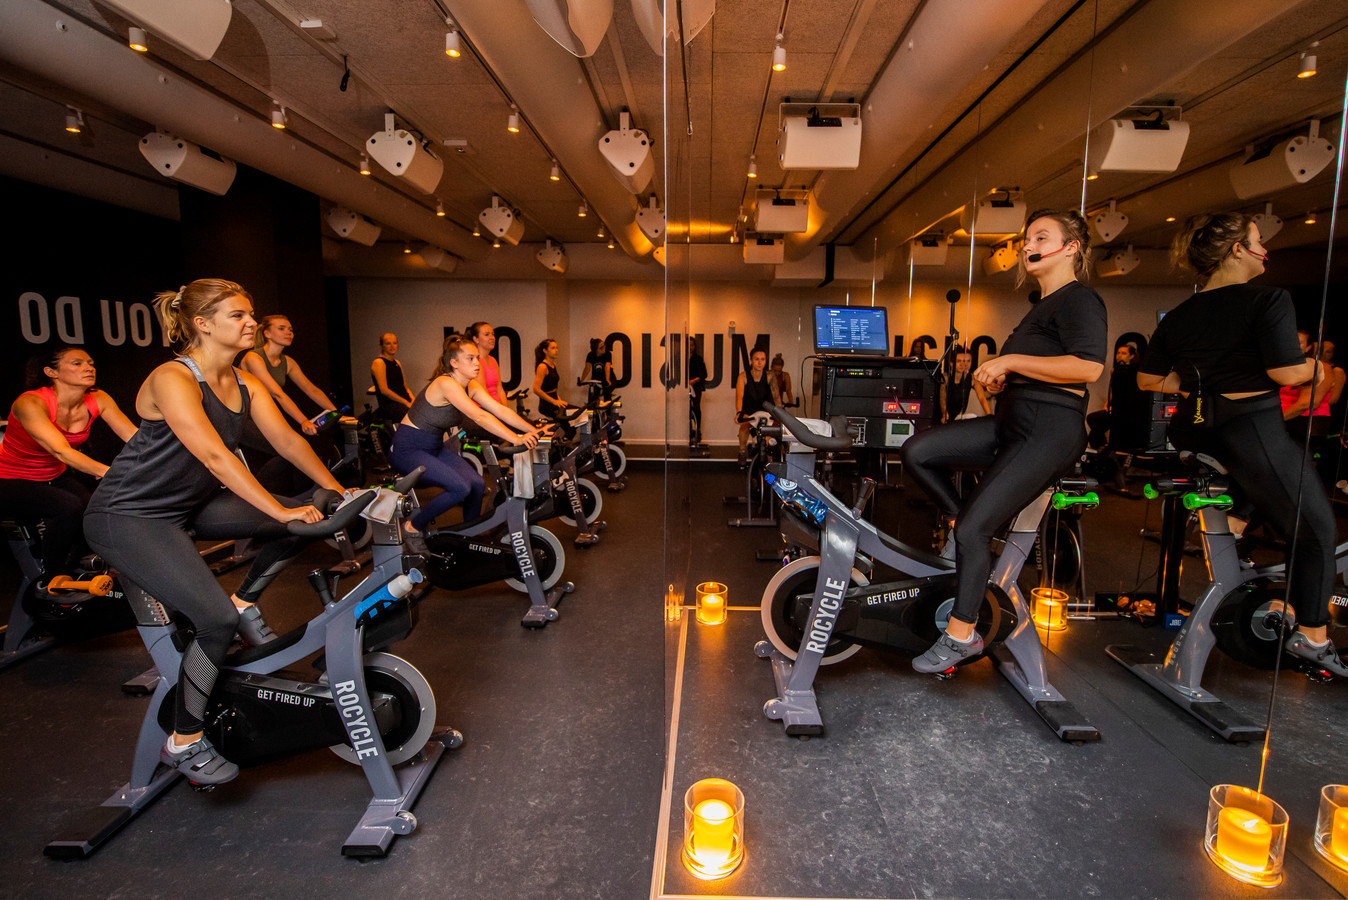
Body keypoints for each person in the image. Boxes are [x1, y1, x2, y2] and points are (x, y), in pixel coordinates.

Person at [83, 279, 350, 785]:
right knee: (214, 621)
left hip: (187, 508)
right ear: (202, 323)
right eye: (237, 315)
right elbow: (213, 455)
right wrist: (275, 510)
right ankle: (183, 740)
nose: (251, 322)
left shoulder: (243, 384)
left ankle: (246, 601)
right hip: (129, 515)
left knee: (310, 507)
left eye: (251, 313)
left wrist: (340, 491)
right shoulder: (172, 377)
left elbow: (289, 443)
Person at [1137, 212, 1346, 676]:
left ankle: (1234, 522)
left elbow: (1148, 378)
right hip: (1251, 428)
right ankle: (1313, 637)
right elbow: (1286, 374)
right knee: (1316, 533)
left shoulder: (1184, 313)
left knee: (1264, 483)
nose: (1265, 251)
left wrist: (1199, 381)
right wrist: (1318, 370)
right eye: (1257, 242)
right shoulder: (1269, 299)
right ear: (1236, 250)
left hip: (1199, 431)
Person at [900, 209, 1107, 673]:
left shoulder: (1081, 300)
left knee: (976, 530)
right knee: (919, 451)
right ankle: (960, 519)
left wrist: (1010, 362)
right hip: (1013, 421)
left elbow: (1087, 368)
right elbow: (1036, 369)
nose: (1027, 245)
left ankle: (961, 635)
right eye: (1026, 239)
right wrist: (997, 380)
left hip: (1049, 430)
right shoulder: (1042, 306)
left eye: (1040, 237)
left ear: (1070, 247)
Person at [390, 335, 545, 548]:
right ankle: (412, 527)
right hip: (407, 449)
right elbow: (479, 416)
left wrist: (534, 430)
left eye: (477, 358)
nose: (476, 363)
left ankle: (470, 536)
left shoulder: (469, 385)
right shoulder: (445, 383)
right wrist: (516, 437)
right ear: (454, 363)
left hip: (434, 447)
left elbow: (499, 409)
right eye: (470, 359)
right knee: (460, 488)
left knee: (478, 484)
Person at [0, 346, 137, 575]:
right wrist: (109, 472)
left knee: (95, 511)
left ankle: (77, 564)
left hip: (54, 476)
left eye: (90, 363)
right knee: (69, 507)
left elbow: (133, 436)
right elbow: (61, 451)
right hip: (10, 480)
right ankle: (51, 576)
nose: (88, 367)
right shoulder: (30, 403)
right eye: (77, 363)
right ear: (51, 372)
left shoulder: (97, 398)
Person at [240, 315, 335, 436]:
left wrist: (335, 412)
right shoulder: (253, 358)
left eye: (290, 330)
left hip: (262, 414)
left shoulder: (288, 362)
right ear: (267, 333)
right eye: (281, 328)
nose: (288, 333)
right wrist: (304, 421)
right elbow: (277, 394)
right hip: (242, 415)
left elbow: (311, 389)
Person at [734, 346, 781, 467]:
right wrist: (739, 413)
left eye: (762, 359)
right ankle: (742, 452)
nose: (760, 362)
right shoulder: (743, 377)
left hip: (765, 411)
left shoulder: (770, 376)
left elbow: (776, 398)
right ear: (751, 360)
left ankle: (769, 460)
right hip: (749, 412)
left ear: (765, 361)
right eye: (756, 359)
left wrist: (780, 414)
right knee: (744, 425)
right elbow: (739, 397)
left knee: (769, 436)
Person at [370, 332, 414, 422]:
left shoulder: (397, 363)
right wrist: (405, 403)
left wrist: (413, 401)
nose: (392, 346)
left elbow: (404, 387)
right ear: (382, 346)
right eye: (388, 343)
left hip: (403, 402)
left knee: (424, 412)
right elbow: (384, 390)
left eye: (394, 343)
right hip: (390, 405)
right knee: (413, 417)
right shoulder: (379, 362)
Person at [941, 346, 990, 422]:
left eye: (968, 361)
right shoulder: (945, 378)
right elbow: (942, 398)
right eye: (959, 361)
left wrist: (989, 414)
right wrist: (944, 414)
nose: (964, 364)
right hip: (942, 417)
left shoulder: (972, 378)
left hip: (958, 417)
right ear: (951, 363)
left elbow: (982, 398)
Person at [467, 322, 508, 406]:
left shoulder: (493, 360)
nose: (492, 338)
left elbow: (500, 389)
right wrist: (500, 414)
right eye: (486, 334)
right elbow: (483, 395)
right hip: (484, 409)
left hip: (496, 408)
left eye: (492, 334)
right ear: (476, 339)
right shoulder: (477, 362)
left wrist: (506, 410)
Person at [532, 338, 569, 419]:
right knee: (569, 428)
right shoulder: (542, 367)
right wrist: (554, 401)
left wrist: (558, 400)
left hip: (555, 400)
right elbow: (536, 389)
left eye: (556, 348)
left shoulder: (553, 365)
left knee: (576, 412)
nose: (556, 350)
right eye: (552, 348)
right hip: (546, 404)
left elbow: (552, 386)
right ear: (545, 351)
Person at [687, 337, 708, 446]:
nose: (690, 347)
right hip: (684, 388)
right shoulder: (681, 359)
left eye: (692, 345)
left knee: (696, 407)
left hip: (696, 387)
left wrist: (693, 381)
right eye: (688, 345)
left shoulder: (698, 359)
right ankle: (688, 432)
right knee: (686, 410)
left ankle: (697, 430)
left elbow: (704, 374)